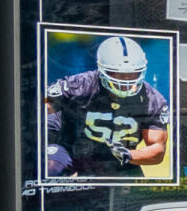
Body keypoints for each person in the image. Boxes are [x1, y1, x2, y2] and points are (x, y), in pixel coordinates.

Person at [43, 34, 169, 179]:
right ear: (102, 70)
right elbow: (42, 106)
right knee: (51, 165)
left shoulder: (152, 99)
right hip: (73, 153)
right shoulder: (80, 84)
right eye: (119, 74)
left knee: (136, 190)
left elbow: (157, 149)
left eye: (133, 73)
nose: (127, 80)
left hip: (117, 160)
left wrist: (128, 155)